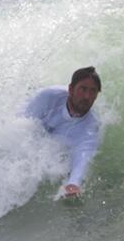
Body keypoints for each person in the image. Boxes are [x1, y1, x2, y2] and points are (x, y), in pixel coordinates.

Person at [24, 66, 104, 198]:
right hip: (30, 105)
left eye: (93, 91)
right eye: (83, 89)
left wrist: (73, 183)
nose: (87, 96)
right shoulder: (48, 96)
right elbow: (22, 124)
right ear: (71, 89)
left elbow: (83, 156)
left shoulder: (91, 127)